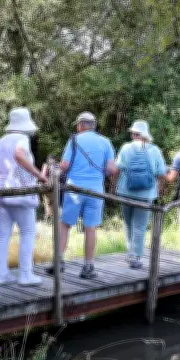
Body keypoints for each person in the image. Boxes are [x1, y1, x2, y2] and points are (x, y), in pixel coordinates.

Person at [47, 112, 117, 279]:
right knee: (90, 228)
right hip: (95, 191)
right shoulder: (106, 142)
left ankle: (58, 262)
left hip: (75, 190)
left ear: (80, 125)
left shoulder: (74, 140)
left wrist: (53, 168)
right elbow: (112, 169)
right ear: (94, 126)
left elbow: (64, 166)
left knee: (65, 225)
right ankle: (88, 266)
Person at [0, 108, 47, 286]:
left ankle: (1, 274)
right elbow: (19, 155)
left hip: (1, 193)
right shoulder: (22, 139)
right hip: (20, 193)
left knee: (1, 235)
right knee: (28, 233)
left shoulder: (1, 140)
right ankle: (25, 274)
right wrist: (39, 175)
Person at [115, 121, 167, 269]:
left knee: (127, 222)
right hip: (146, 193)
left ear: (134, 134)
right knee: (140, 225)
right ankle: (135, 256)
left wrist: (114, 185)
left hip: (125, 191)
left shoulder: (126, 148)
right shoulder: (154, 150)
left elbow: (118, 167)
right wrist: (160, 187)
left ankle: (130, 252)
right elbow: (161, 172)